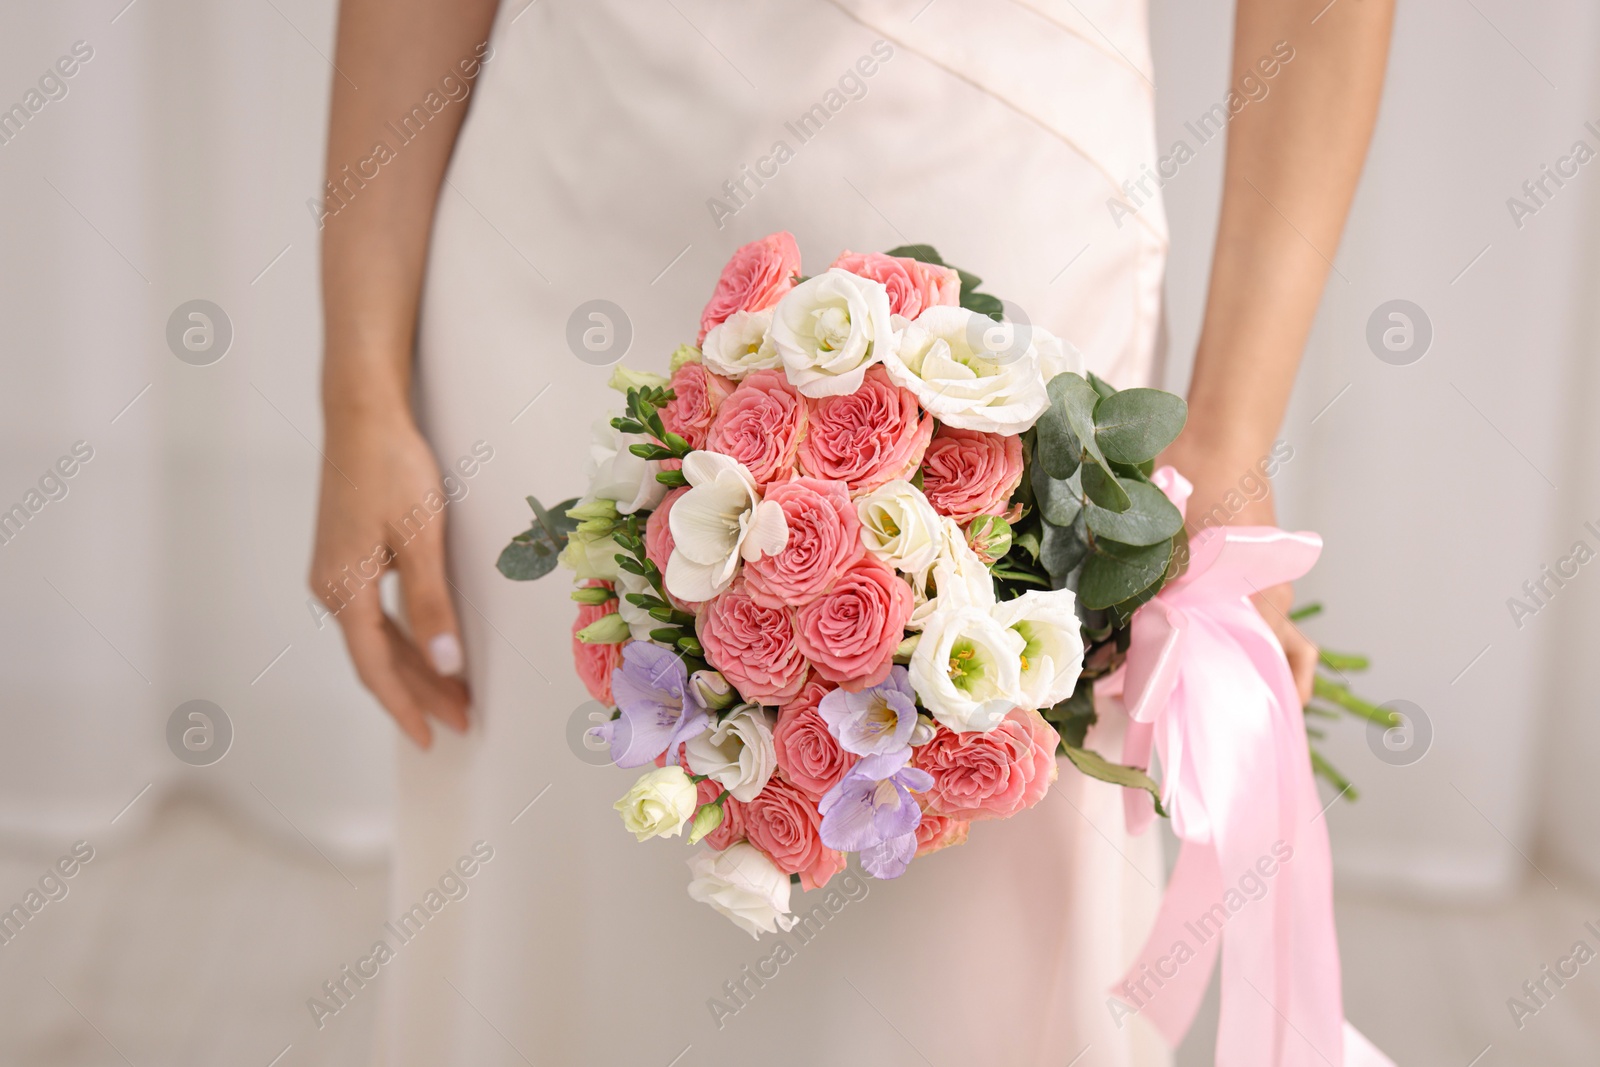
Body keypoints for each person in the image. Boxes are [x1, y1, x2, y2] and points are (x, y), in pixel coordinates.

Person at [310, 1, 1393, 1063]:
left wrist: (1232, 442)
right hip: (568, 198)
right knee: (563, 895)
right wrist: (359, 385)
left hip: (1002, 232)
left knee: (957, 949)